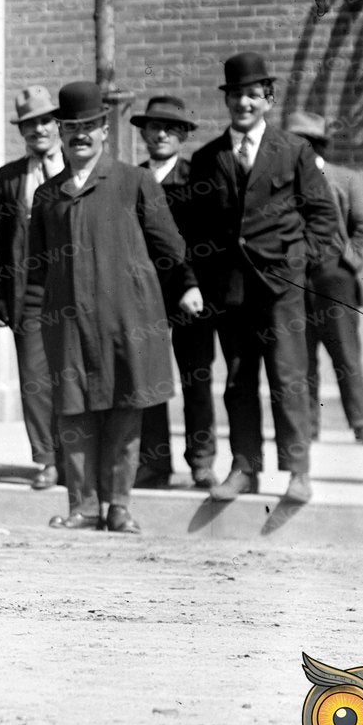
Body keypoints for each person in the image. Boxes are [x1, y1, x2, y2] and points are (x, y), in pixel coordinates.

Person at [24, 83, 203, 533]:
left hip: (127, 321)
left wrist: (173, 289)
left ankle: (119, 505)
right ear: (61, 133)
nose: (80, 135)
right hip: (69, 324)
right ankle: (83, 507)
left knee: (125, 410)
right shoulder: (47, 196)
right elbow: (37, 268)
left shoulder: (134, 182)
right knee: (73, 412)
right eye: (71, 127)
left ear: (104, 130)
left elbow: (171, 248)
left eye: (89, 126)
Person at [189, 52, 339, 504]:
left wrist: (298, 263)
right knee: (238, 381)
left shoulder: (293, 151)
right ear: (226, 100)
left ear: (268, 100)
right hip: (230, 290)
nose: (244, 103)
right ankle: (244, 467)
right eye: (236, 95)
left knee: (288, 378)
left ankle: (298, 472)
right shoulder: (207, 158)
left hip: (281, 288)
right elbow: (196, 229)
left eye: (253, 95)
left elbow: (323, 217)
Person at [130, 94, 221, 488]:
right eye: (155, 127)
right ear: (144, 133)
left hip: (190, 293)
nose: (162, 134)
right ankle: (154, 463)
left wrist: (193, 283)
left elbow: (205, 240)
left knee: (196, 377)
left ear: (183, 135)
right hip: (145, 293)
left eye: (171, 128)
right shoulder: (132, 179)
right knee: (149, 378)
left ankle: (201, 460)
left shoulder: (196, 178)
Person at [0, 87, 67, 491]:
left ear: (58, 124)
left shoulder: (79, 167)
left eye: (46, 121)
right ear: (21, 131)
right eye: (30, 124)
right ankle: (46, 459)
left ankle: (77, 458)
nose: (39, 130)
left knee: (74, 376)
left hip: (74, 291)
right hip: (28, 293)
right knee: (35, 380)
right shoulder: (10, 178)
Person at [285, 110, 363, 446]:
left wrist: (346, 263)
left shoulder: (346, 178)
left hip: (335, 278)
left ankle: (362, 424)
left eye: (306, 142)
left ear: (318, 145)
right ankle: (308, 426)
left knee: (345, 354)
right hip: (296, 278)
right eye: (292, 143)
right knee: (301, 356)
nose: (299, 149)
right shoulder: (281, 183)